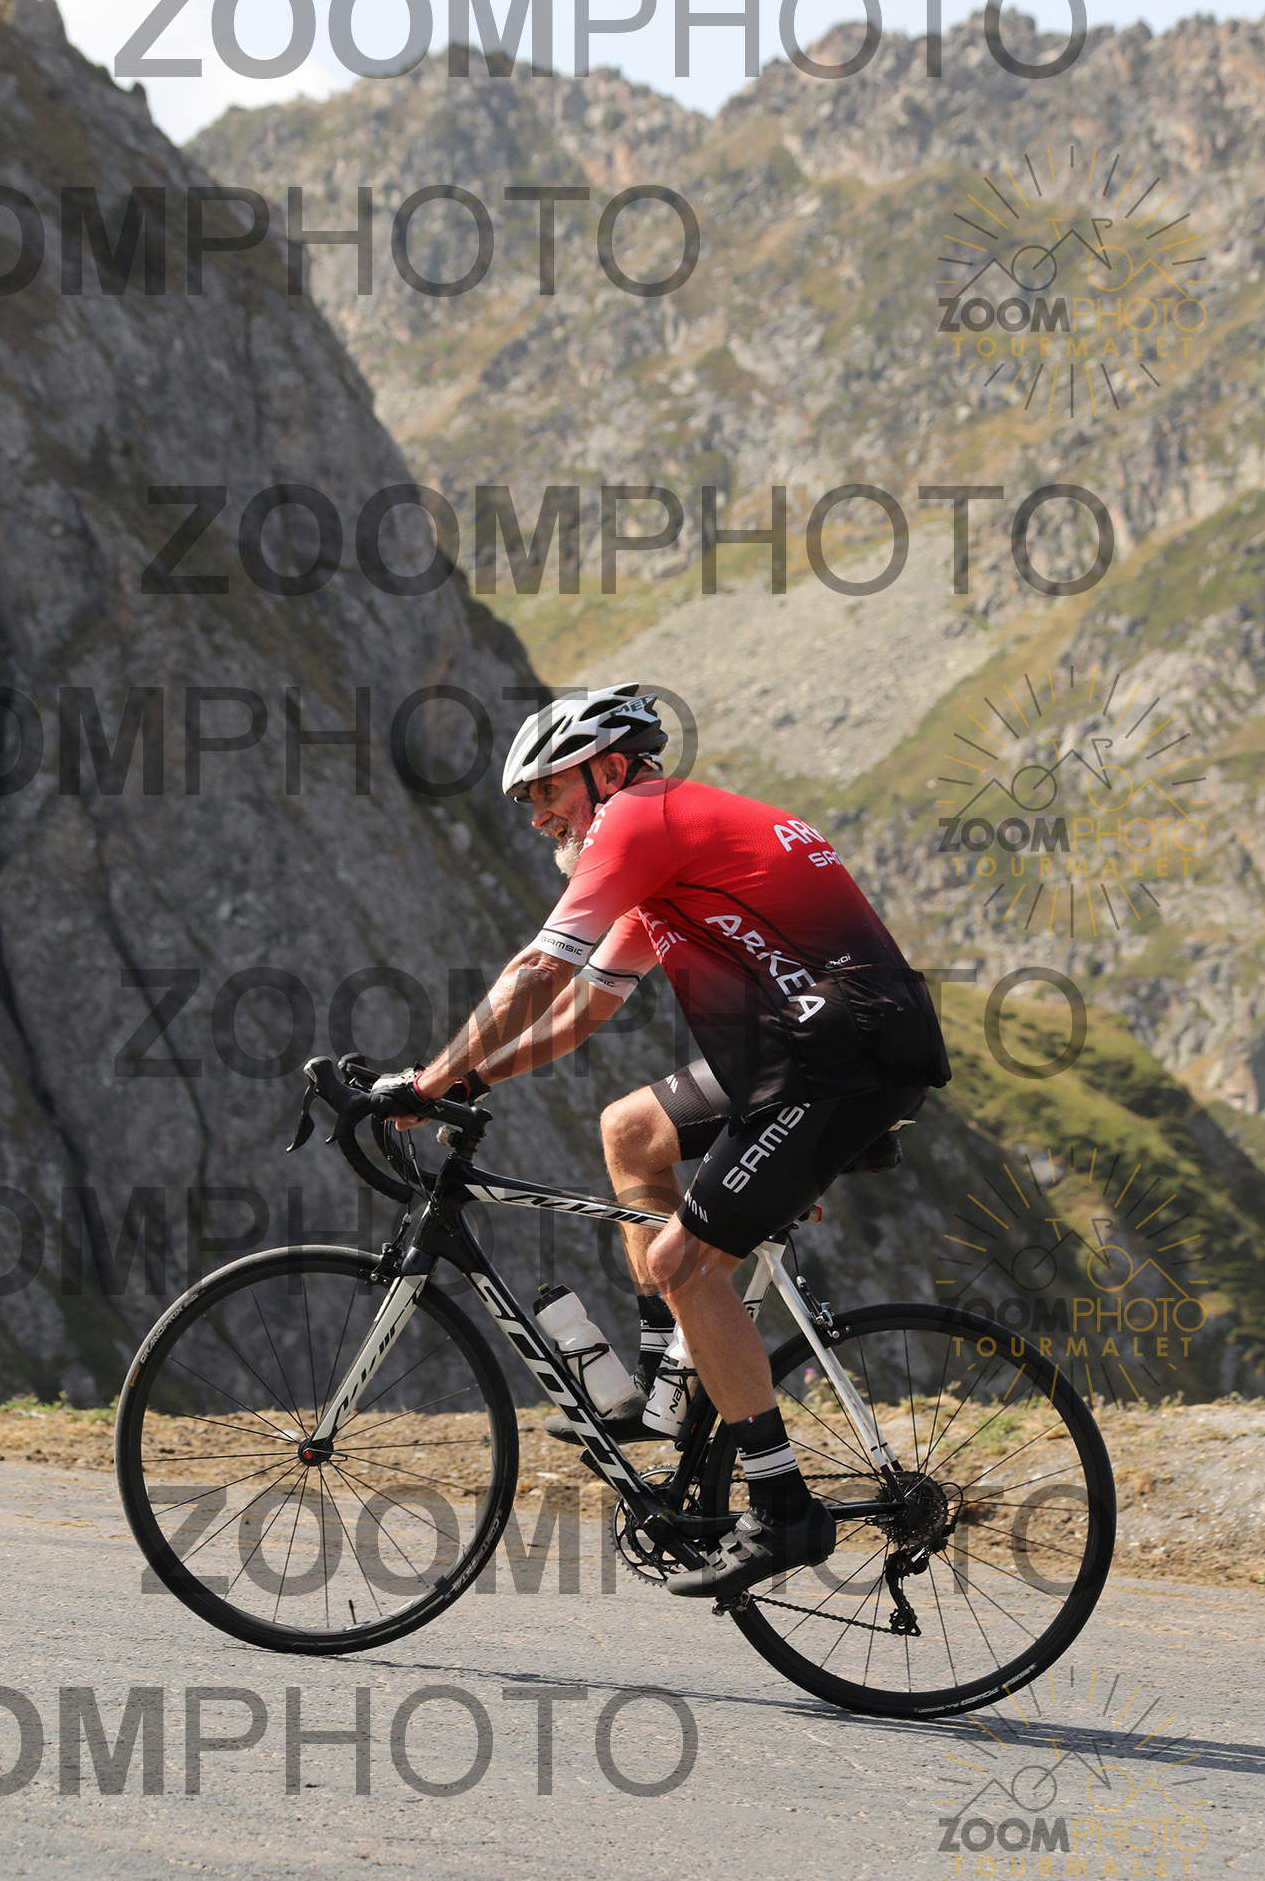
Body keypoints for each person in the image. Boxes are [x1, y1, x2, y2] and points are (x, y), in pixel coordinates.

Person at [371, 684, 950, 1600]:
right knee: (630, 1129)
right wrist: (471, 1082)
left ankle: (783, 1508)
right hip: (815, 1047)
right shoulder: (672, 852)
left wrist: (428, 1080)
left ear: (609, 770)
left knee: (685, 1264)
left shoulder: (642, 819)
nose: (537, 816)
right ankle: (665, 1393)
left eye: (546, 790)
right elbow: (580, 1012)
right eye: (527, 801)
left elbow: (539, 969)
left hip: (838, 1058)